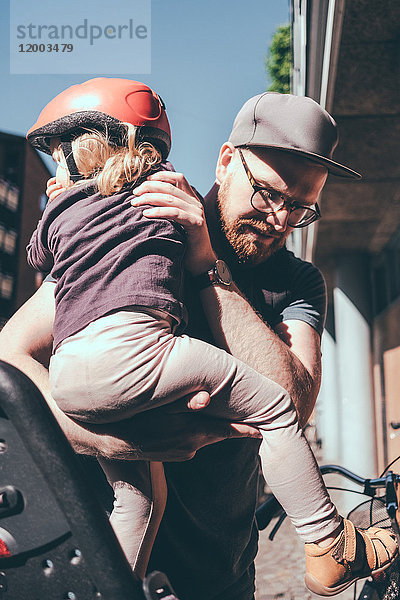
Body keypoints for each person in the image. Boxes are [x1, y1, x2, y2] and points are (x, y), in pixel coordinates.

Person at [0, 89, 395, 599]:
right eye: (268, 194)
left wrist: (209, 269)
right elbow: (9, 357)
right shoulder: (141, 217)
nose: (280, 220)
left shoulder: (298, 283)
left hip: (219, 564)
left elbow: (293, 405)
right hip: (103, 548)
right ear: (227, 160)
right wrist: (103, 438)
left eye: (301, 209)